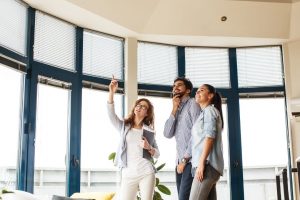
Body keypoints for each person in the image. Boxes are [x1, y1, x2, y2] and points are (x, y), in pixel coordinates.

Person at [107, 77, 160, 200]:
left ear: (147, 113)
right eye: (138, 104)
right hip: (128, 174)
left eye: (143, 107)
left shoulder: (149, 131)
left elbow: (157, 154)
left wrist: (149, 147)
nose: (139, 107)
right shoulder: (124, 126)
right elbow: (111, 115)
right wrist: (111, 92)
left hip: (146, 172)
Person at [163, 77, 201, 200]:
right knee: (182, 196)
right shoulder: (177, 108)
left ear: (188, 90)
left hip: (190, 161)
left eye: (179, 85)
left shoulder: (193, 104)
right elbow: (167, 134)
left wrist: (184, 160)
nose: (175, 88)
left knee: (184, 198)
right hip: (179, 163)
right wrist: (174, 109)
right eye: (174, 86)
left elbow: (197, 134)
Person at [189, 84, 224, 200]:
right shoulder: (205, 113)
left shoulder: (209, 111)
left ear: (210, 96)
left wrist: (201, 163)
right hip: (206, 166)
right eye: (197, 91)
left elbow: (210, 137)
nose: (197, 92)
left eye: (201, 90)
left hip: (207, 166)